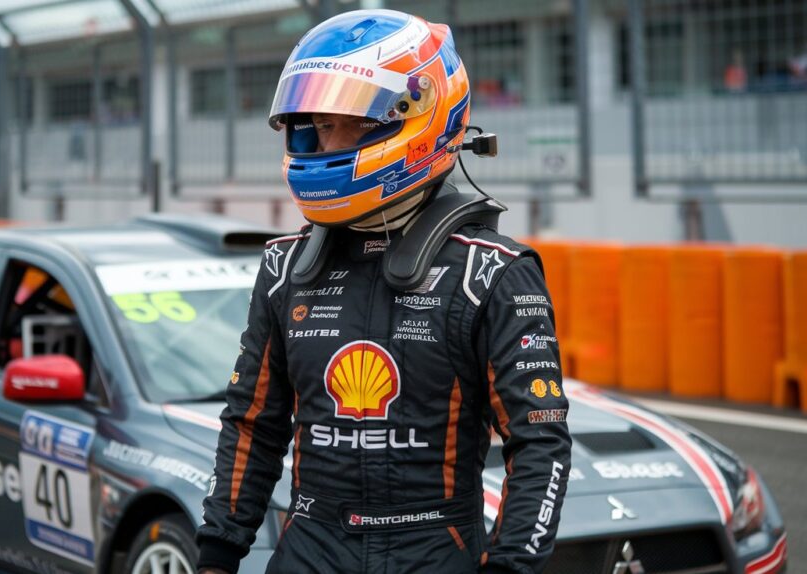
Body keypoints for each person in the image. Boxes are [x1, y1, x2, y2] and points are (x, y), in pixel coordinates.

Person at [196, 9, 571, 574]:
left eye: (353, 122)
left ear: (418, 115)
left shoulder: (493, 272)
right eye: (320, 125)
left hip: (434, 548)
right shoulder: (284, 266)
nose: (329, 143)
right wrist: (217, 555)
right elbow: (253, 424)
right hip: (310, 547)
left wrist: (510, 565)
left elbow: (539, 444)